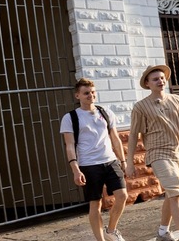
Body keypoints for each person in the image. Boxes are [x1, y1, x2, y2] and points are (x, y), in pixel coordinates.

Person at [125, 65, 179, 241]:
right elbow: (133, 135)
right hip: (157, 153)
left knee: (174, 193)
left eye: (162, 78)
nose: (160, 81)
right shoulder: (140, 107)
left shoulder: (177, 100)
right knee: (175, 193)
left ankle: (163, 232)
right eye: (155, 79)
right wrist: (130, 163)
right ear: (147, 84)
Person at [61, 78, 128, 241]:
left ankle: (111, 230)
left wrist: (123, 160)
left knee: (122, 195)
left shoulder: (106, 113)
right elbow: (69, 145)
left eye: (93, 92)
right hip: (88, 165)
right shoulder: (70, 118)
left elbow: (115, 138)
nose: (90, 95)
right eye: (86, 93)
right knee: (95, 204)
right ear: (78, 96)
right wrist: (75, 170)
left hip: (110, 161)